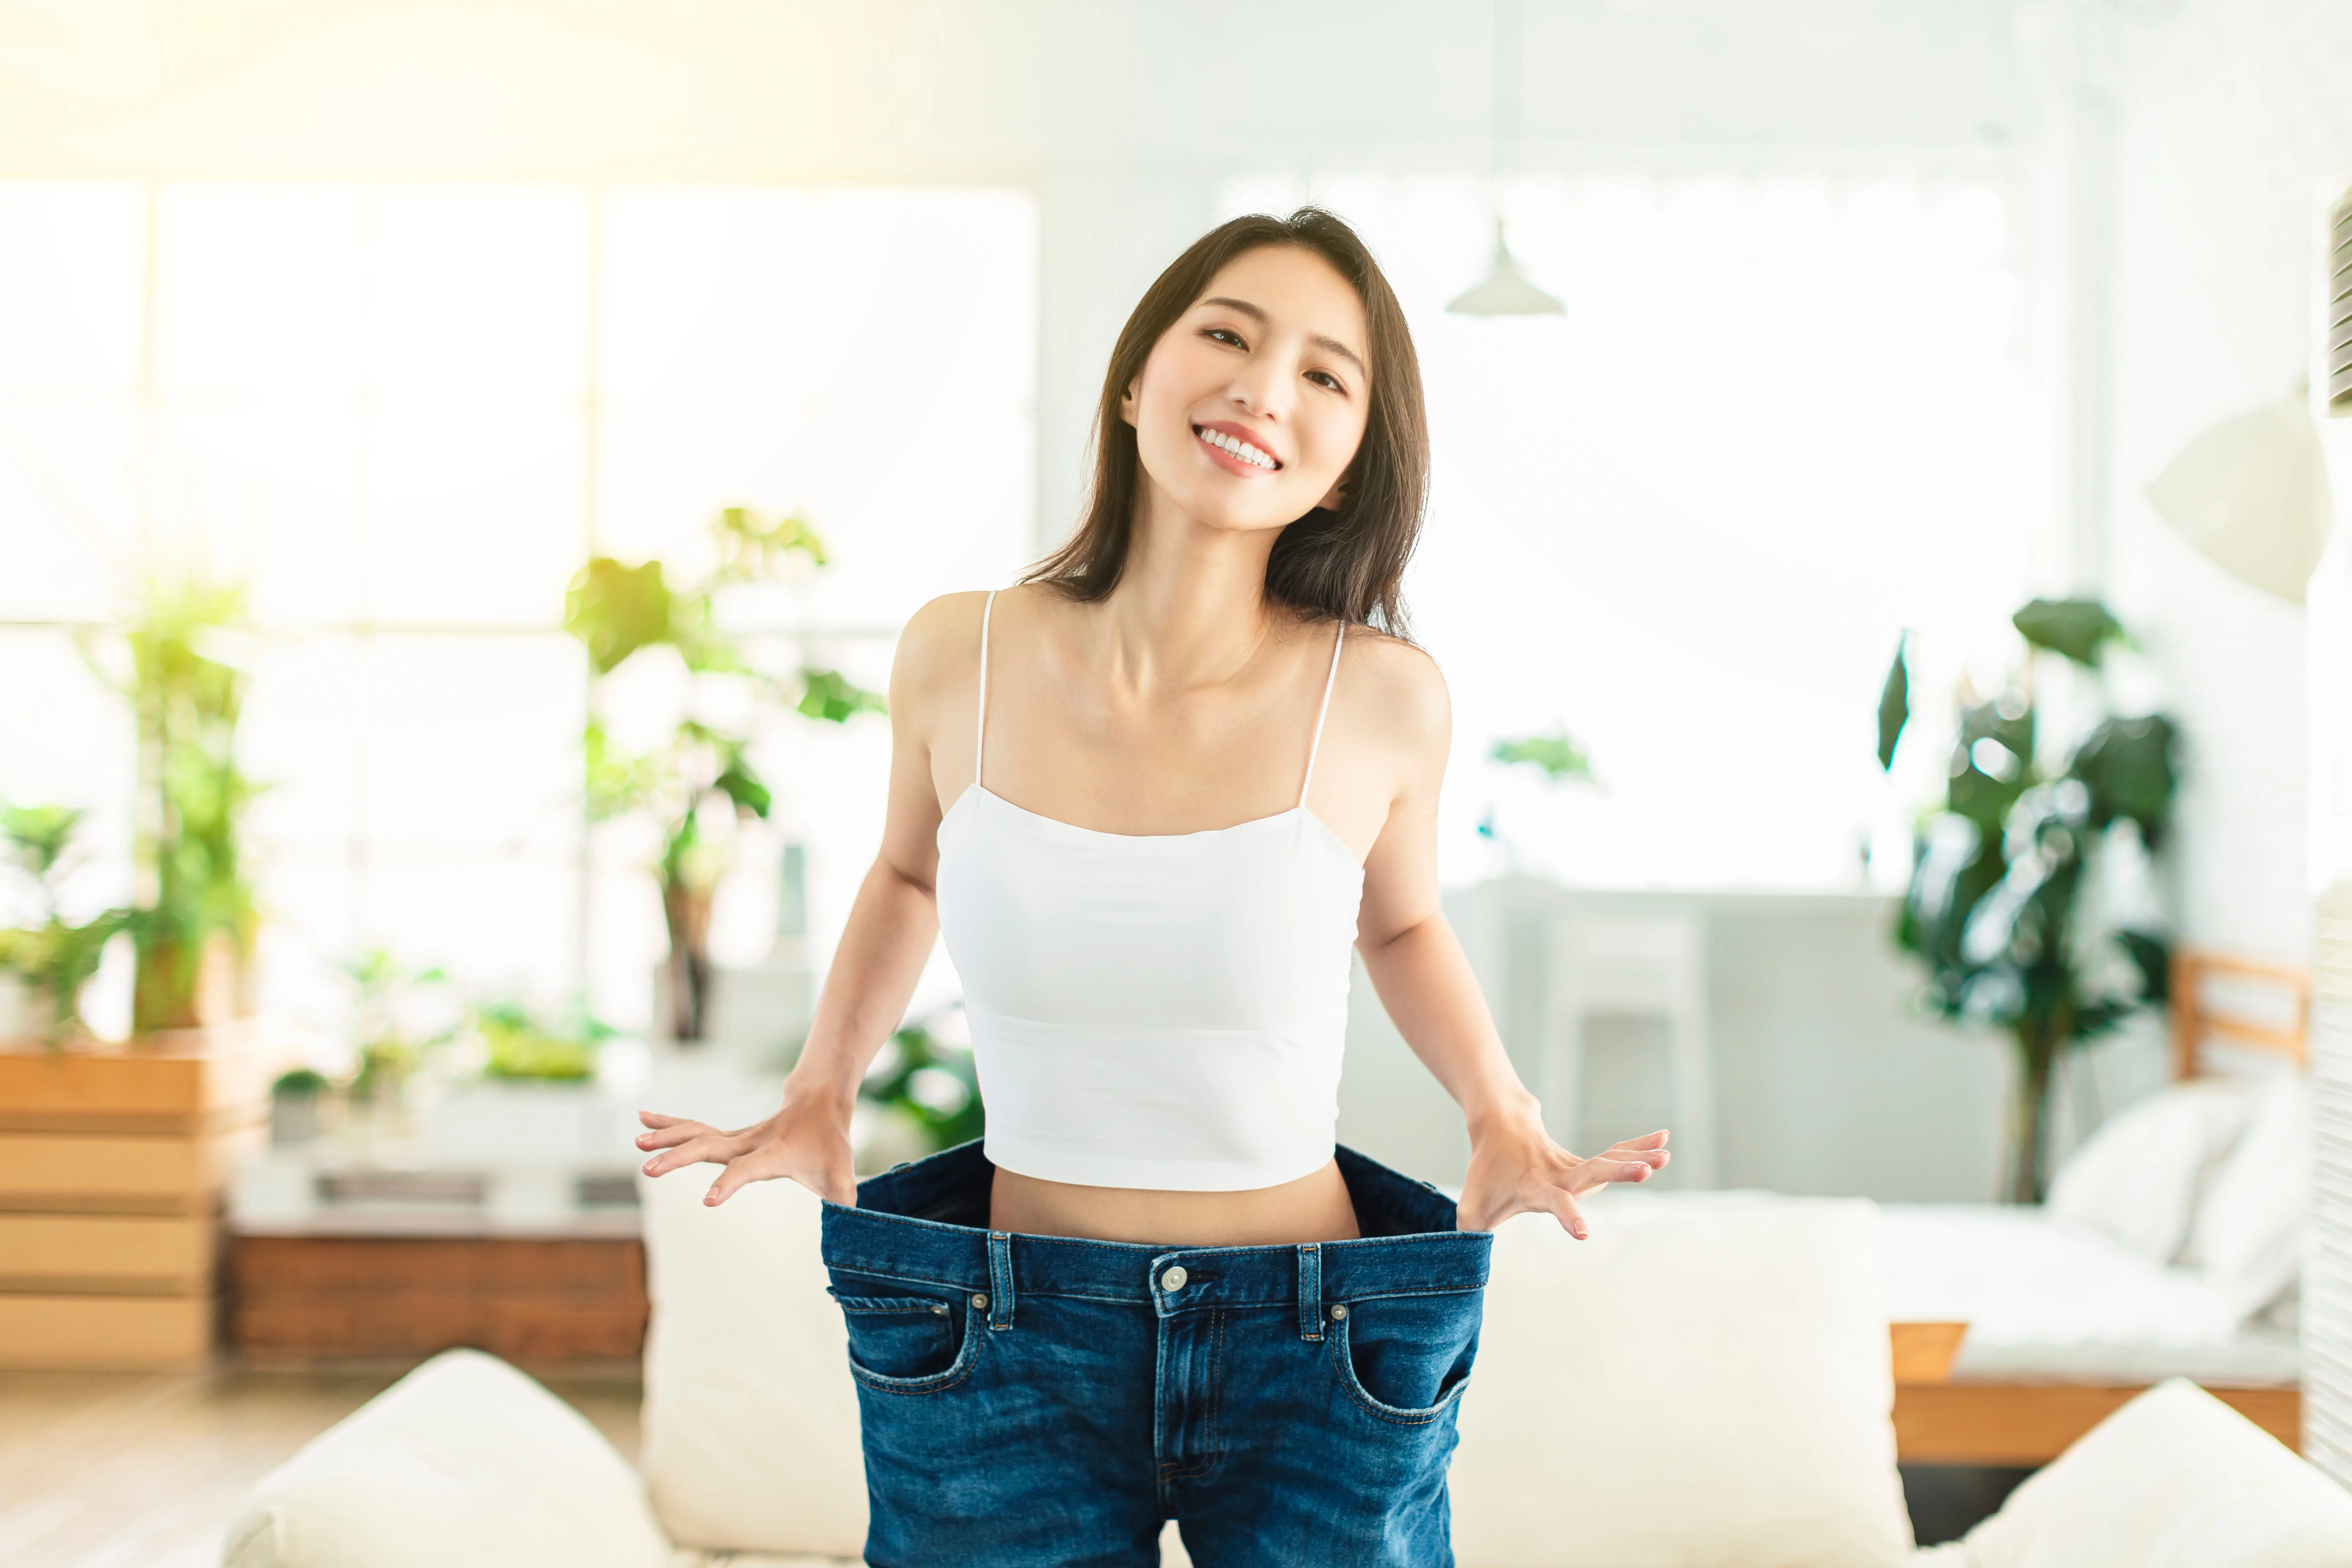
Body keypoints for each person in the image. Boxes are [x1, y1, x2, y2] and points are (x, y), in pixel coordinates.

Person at [635, 207, 1670, 1568]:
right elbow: (906, 869)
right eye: (1229, 337)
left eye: (1323, 375)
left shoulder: (1383, 698)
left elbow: (1403, 920)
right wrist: (822, 1088)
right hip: (1002, 1335)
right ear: (1136, 379)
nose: (1262, 387)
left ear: (1351, 466)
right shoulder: (962, 652)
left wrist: (1502, 1110)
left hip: (1317, 1344)